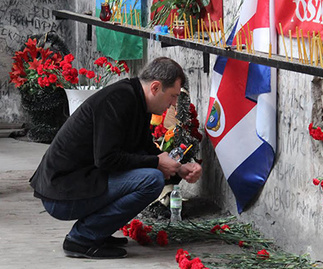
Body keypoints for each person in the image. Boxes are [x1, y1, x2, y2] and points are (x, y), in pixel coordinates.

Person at [29, 57, 202, 259]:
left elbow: (145, 149)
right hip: (60, 194)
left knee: (152, 174)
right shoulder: (118, 100)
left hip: (75, 185)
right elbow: (106, 159)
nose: (173, 103)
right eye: (172, 96)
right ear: (155, 87)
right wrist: (156, 163)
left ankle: (96, 232)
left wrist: (178, 168)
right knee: (151, 180)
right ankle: (82, 239)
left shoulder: (137, 100)